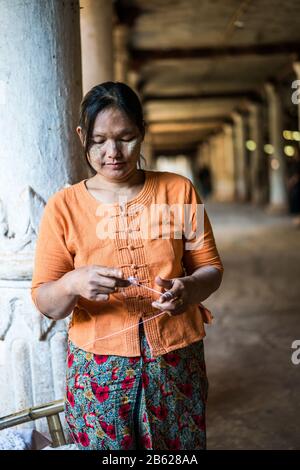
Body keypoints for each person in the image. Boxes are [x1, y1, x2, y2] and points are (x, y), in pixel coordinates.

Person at [31, 82, 224, 450]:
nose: (113, 152)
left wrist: (190, 289)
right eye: (99, 140)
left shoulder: (179, 191)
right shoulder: (63, 207)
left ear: (143, 133)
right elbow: (46, 301)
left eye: (126, 137)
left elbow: (210, 267)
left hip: (175, 361)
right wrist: (72, 283)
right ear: (81, 136)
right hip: (97, 370)